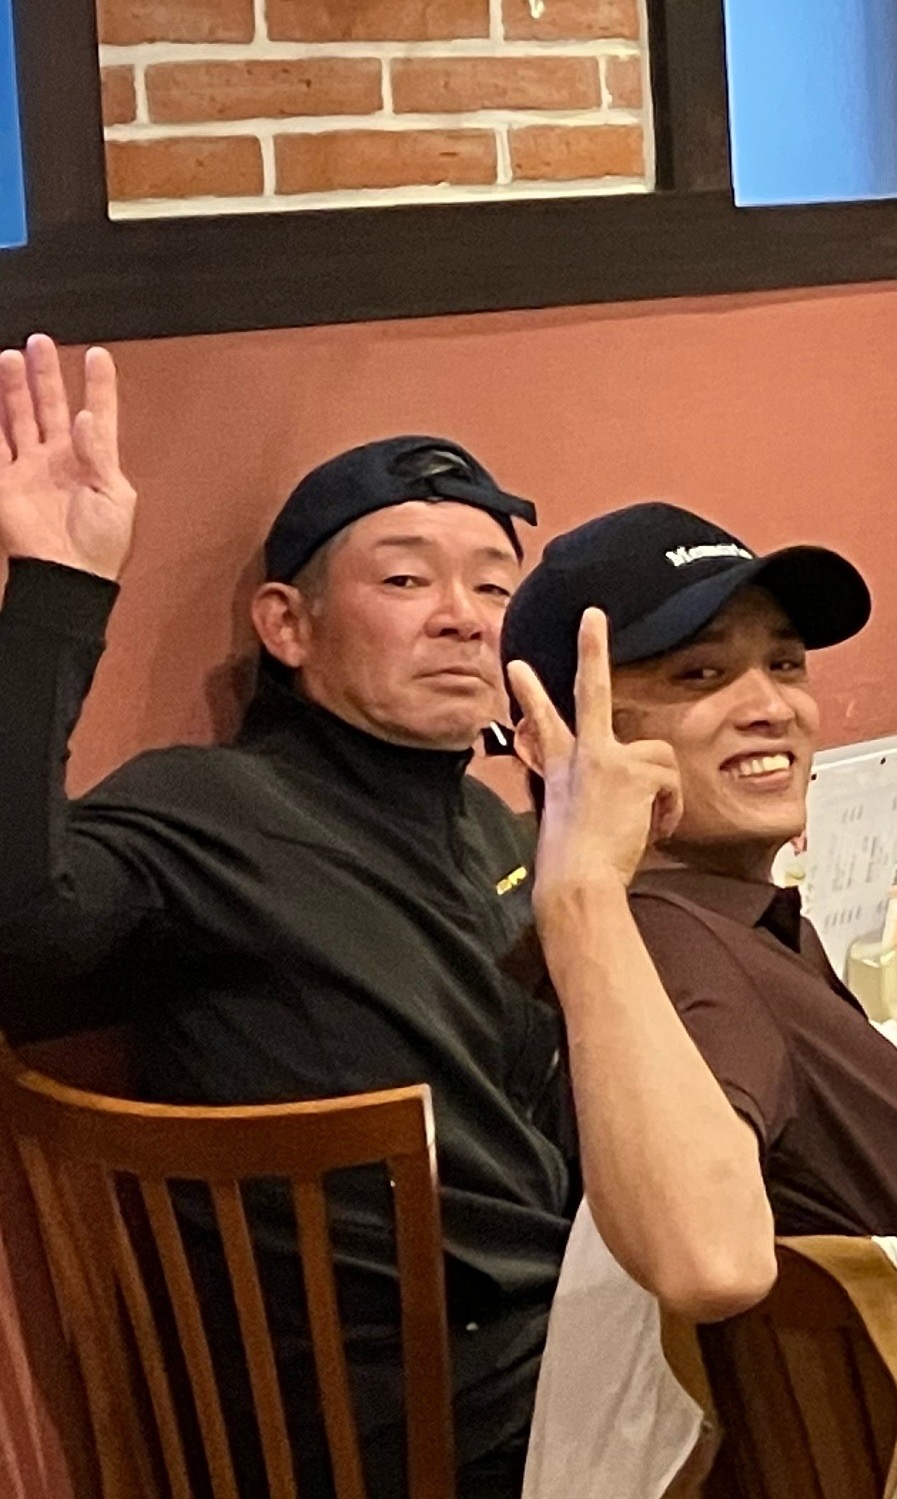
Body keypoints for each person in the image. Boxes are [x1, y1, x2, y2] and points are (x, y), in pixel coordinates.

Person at [0, 337, 569, 1498]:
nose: (464, 618)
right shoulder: (209, 806)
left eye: (493, 585)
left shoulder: (500, 828)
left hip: (569, 1353)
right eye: (405, 581)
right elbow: (18, 930)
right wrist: (58, 589)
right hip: (409, 1428)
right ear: (287, 625)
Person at [502, 503, 897, 1326]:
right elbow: (707, 1262)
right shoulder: (675, 945)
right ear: (546, 741)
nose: (773, 706)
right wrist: (583, 888)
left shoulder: (719, 923)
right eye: (699, 675)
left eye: (785, 664)